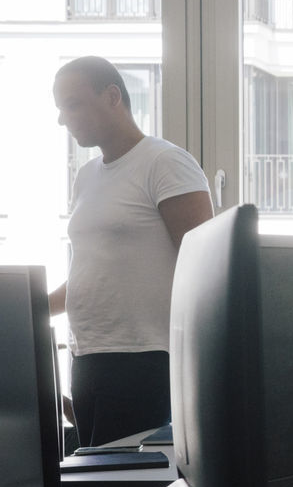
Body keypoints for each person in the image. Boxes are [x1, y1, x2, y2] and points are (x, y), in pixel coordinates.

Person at [48, 56, 212, 447]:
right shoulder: (86, 177)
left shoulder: (164, 162)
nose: (62, 119)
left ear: (112, 96)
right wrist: (23, 305)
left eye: (72, 104)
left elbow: (208, 271)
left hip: (145, 359)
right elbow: (94, 270)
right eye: (59, 108)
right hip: (88, 357)